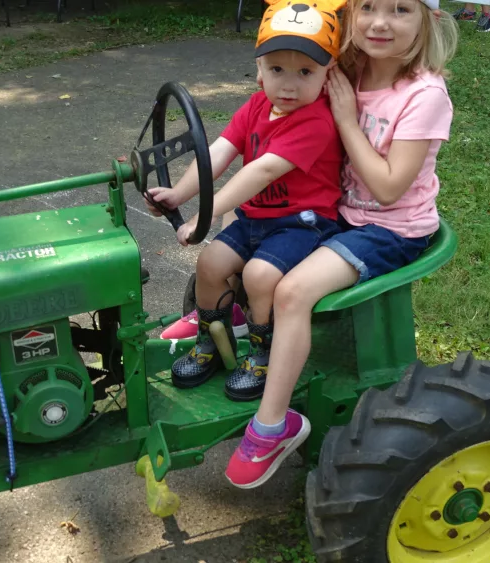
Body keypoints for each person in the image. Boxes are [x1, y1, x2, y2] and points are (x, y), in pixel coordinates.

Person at [224, 0, 459, 489]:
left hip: (389, 227)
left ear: (428, 20)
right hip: (338, 212)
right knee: (244, 243)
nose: (379, 21)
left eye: (400, 10)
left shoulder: (423, 94)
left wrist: (349, 121)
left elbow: (389, 188)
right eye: (368, 6)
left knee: (292, 292)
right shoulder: (342, 70)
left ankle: (272, 426)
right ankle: (223, 323)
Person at [146, 0, 348, 401]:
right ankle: (210, 340)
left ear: (328, 75)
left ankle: (263, 352)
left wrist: (205, 213)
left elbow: (262, 171)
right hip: (256, 218)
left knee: (259, 275)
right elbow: (218, 152)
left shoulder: (317, 121)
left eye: (305, 72)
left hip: (302, 223)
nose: (289, 84)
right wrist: (178, 194)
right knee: (210, 263)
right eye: (277, 69)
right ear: (259, 70)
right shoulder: (257, 106)